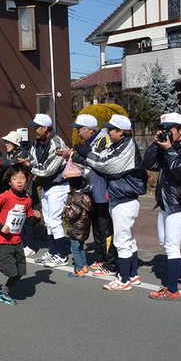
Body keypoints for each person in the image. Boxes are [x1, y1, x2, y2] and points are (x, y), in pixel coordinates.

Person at [72, 114, 147, 291]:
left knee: (121, 241)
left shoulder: (127, 145)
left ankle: (123, 279)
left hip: (125, 199)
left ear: (121, 131)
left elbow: (106, 165)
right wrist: (83, 155)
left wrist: (86, 154)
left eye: (111, 129)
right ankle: (133, 275)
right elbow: (100, 160)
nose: (107, 131)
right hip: (121, 197)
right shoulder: (117, 144)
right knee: (128, 239)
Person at [142, 113, 181, 301]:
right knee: (164, 242)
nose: (165, 133)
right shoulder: (164, 147)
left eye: (169, 129)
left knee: (172, 246)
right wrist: (156, 144)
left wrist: (168, 149)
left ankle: (172, 290)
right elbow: (147, 163)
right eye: (162, 129)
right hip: (165, 203)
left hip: (179, 204)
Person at [61, 114, 117, 277]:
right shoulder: (92, 142)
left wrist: (72, 155)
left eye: (79, 129)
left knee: (106, 231)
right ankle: (103, 258)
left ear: (90, 129)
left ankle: (110, 264)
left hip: (104, 195)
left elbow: (97, 162)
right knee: (98, 231)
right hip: (94, 194)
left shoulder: (103, 140)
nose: (77, 133)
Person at [0, 162, 40, 305]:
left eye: (22, 178)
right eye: (15, 178)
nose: (19, 181)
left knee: (20, 271)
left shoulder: (27, 200)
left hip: (17, 241)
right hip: (2, 240)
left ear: (27, 179)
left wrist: (37, 218)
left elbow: (28, 222)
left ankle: (3, 293)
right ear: (9, 182)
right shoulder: (5, 197)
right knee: (11, 271)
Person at [25, 113, 70, 267]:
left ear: (45, 128)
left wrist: (31, 167)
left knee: (55, 221)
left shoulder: (57, 143)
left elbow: (48, 170)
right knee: (49, 221)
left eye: (37, 127)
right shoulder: (38, 142)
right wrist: (32, 165)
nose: (34, 130)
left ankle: (62, 255)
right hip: (46, 185)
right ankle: (53, 252)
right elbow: (31, 158)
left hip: (58, 185)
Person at [64, 176, 93, 278]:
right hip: (84, 227)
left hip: (76, 228)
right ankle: (84, 266)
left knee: (75, 249)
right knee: (81, 247)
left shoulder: (76, 198)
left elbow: (74, 213)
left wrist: (66, 210)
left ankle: (78, 269)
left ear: (74, 188)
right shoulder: (87, 196)